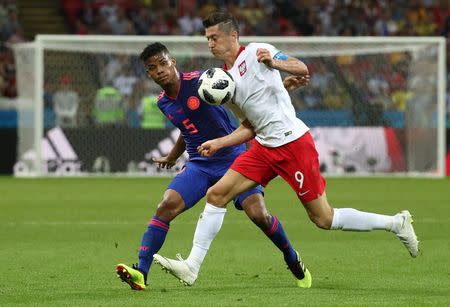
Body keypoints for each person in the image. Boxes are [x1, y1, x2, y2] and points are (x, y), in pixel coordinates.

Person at [153, 10, 420, 287]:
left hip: (293, 144)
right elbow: (250, 126)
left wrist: (277, 65)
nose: (210, 43)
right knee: (217, 194)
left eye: (214, 37)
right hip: (264, 147)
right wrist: (220, 142)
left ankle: (395, 224)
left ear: (233, 36)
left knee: (323, 218)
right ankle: (192, 267)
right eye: (207, 38)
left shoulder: (258, 51)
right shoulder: (222, 81)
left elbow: (302, 68)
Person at [116, 42, 311, 290]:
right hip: (200, 163)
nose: (160, 71)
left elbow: (247, 102)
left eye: (163, 63)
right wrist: (174, 155)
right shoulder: (163, 102)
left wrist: (282, 88)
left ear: (173, 62)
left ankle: (291, 257)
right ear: (149, 74)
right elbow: (186, 127)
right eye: (153, 68)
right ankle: (141, 271)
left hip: (233, 157)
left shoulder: (203, 81)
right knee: (166, 206)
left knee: (258, 214)